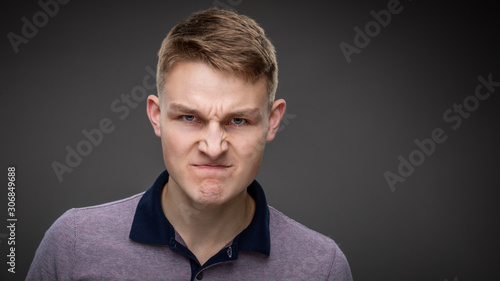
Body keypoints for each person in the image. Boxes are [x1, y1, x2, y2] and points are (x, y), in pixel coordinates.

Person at [27, 8, 353, 281]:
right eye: (189, 118)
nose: (213, 147)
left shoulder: (322, 268)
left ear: (273, 121)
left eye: (238, 120)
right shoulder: (73, 244)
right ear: (156, 116)